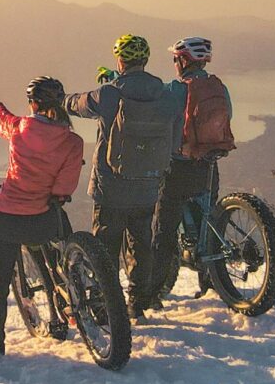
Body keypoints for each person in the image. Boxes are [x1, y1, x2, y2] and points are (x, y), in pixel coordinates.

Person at [63, 34, 181, 320]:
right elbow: (174, 136)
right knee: (141, 244)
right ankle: (138, 302)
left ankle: (104, 307)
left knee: (104, 249)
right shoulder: (165, 95)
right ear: (145, 59)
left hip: (111, 186)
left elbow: (79, 104)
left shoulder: (110, 94)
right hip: (148, 184)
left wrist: (62, 100)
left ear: (120, 60)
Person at [0, 77, 84, 359]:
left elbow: (1, 119)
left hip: (7, 220)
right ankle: (71, 301)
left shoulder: (19, 129)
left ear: (34, 104)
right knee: (61, 257)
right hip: (43, 220)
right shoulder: (72, 142)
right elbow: (64, 188)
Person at [150, 38, 234, 309]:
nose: (175, 63)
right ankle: (210, 283)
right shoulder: (218, 87)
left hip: (179, 165)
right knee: (207, 223)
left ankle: (151, 294)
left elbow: (156, 118)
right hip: (209, 164)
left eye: (176, 58)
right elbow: (228, 115)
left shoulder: (174, 89)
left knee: (163, 232)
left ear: (184, 60)